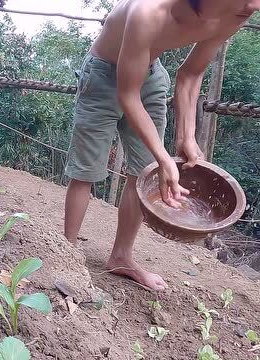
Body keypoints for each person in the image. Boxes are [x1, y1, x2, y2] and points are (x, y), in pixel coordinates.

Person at [63, 0, 260, 291]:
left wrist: (186, 137)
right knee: (86, 170)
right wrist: (165, 158)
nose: (254, 5)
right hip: (104, 74)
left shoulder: (233, 14)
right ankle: (65, 254)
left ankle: (121, 257)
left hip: (151, 75)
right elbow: (127, 95)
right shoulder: (148, 10)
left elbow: (190, 75)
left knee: (144, 171)